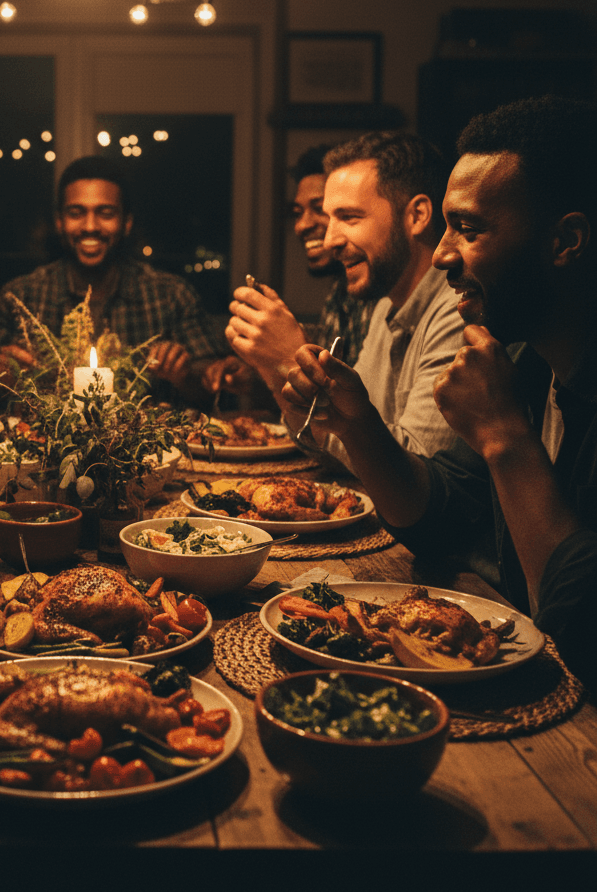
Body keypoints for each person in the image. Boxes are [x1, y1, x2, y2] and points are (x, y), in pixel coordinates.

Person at [282, 97, 597, 687]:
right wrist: (356, 423)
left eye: (470, 229)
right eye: (448, 226)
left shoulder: (511, 376)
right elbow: (436, 515)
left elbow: (582, 630)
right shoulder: (527, 362)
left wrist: (504, 437)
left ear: (565, 242)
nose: (444, 253)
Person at [232, 131, 461, 471]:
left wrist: (292, 361)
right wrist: (273, 370)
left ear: (417, 216)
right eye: (331, 218)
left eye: (350, 217)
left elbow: (418, 473)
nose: (330, 240)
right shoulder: (386, 306)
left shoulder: (456, 310)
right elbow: (339, 447)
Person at [0, 155, 226, 401]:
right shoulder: (20, 296)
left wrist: (185, 375)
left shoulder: (171, 295)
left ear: (126, 223)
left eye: (105, 213)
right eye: (76, 212)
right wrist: (1, 375)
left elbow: (216, 385)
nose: (90, 226)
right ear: (59, 221)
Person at [207, 143, 376, 401]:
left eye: (319, 209)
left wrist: (288, 355)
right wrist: (260, 371)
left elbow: (363, 411)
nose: (301, 226)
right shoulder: (339, 292)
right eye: (297, 213)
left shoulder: (381, 291)